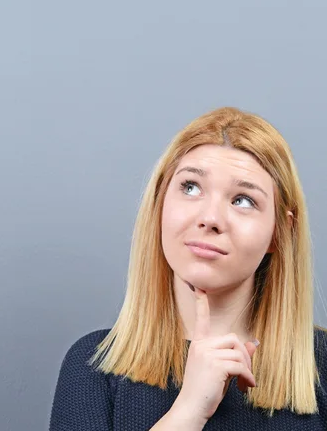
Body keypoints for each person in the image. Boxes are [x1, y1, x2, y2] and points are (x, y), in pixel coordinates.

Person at [49, 106, 327, 430]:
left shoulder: (321, 366)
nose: (210, 218)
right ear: (160, 204)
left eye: (243, 200)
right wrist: (189, 410)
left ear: (279, 232)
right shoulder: (93, 367)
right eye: (191, 187)